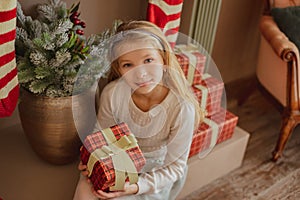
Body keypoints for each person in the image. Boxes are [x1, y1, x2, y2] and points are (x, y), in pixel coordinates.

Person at [73, 20, 203, 200]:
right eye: (128, 65)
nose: (140, 73)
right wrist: (91, 158)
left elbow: (175, 168)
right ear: (118, 69)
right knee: (86, 192)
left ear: (163, 59)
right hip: (117, 158)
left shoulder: (181, 108)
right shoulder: (113, 94)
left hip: (155, 173)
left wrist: (135, 187)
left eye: (148, 60)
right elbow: (102, 135)